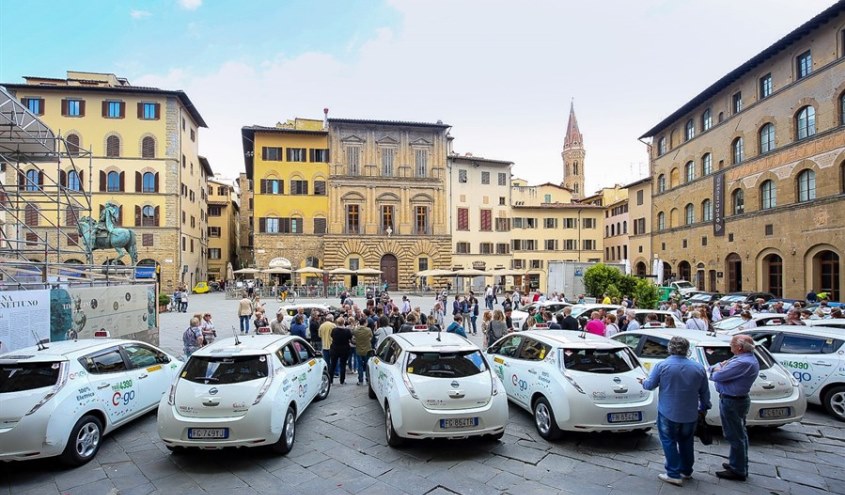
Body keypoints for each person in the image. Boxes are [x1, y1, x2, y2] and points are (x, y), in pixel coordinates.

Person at [639, 336, 711, 486]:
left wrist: (642, 382)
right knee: (687, 441)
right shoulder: (698, 368)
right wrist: (704, 407)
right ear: (687, 349)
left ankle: (673, 473)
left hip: (668, 411)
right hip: (690, 413)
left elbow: (650, 385)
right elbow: (705, 392)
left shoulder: (662, 365)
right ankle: (686, 470)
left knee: (668, 441)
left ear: (670, 348)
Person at [709, 335, 760, 482]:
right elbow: (718, 367)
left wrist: (718, 368)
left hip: (733, 401)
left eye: (732, 343)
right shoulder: (742, 359)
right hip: (734, 400)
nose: (729, 345)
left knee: (735, 435)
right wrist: (719, 367)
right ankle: (736, 463)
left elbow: (717, 375)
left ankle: (738, 469)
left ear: (739, 347)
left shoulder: (742, 362)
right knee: (738, 434)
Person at [329, 318, 354, 385]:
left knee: (333, 364)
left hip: (335, 349)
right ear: (344, 322)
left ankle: (330, 380)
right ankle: (342, 380)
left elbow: (331, 336)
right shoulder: (347, 331)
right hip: (344, 349)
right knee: (343, 365)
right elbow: (350, 338)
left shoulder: (334, 330)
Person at [352, 316, 374, 385]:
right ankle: (367, 378)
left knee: (360, 365)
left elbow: (353, 339)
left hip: (359, 350)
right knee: (367, 364)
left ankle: (360, 380)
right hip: (367, 349)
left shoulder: (355, 330)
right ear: (365, 323)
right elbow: (371, 337)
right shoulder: (368, 330)